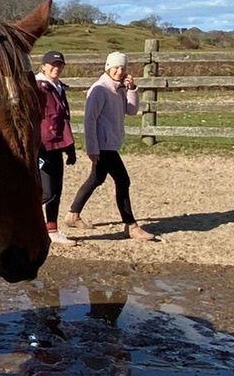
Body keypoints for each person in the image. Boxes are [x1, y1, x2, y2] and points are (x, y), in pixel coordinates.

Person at [68, 51, 153, 242]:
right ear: (108, 67)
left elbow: (131, 111)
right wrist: (92, 148)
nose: (119, 71)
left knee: (96, 179)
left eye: (123, 68)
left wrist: (132, 89)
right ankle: (131, 225)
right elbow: (89, 120)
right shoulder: (99, 90)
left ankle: (73, 214)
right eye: (116, 67)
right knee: (123, 181)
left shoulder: (120, 89)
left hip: (111, 142)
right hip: (102, 145)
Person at [35, 50, 78, 242]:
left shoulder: (58, 88)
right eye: (52, 64)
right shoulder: (37, 87)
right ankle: (30, 225)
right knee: (47, 191)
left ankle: (51, 230)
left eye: (59, 65)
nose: (56, 68)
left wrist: (70, 148)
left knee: (56, 190)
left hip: (57, 145)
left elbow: (63, 119)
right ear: (43, 65)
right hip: (41, 146)